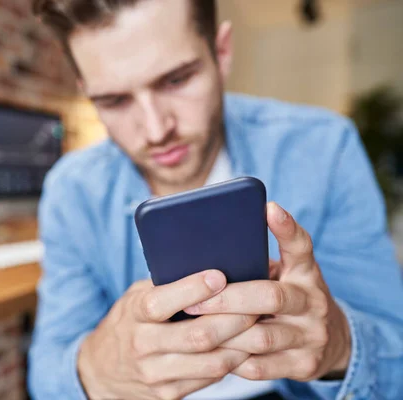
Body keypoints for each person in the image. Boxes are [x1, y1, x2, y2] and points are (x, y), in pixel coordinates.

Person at [28, 0, 403, 399]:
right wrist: (97, 370)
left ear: (221, 53)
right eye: (114, 101)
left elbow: (395, 363)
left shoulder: (323, 147)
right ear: (87, 93)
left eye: (176, 80)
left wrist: (341, 346)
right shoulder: (72, 190)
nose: (156, 130)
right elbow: (47, 376)